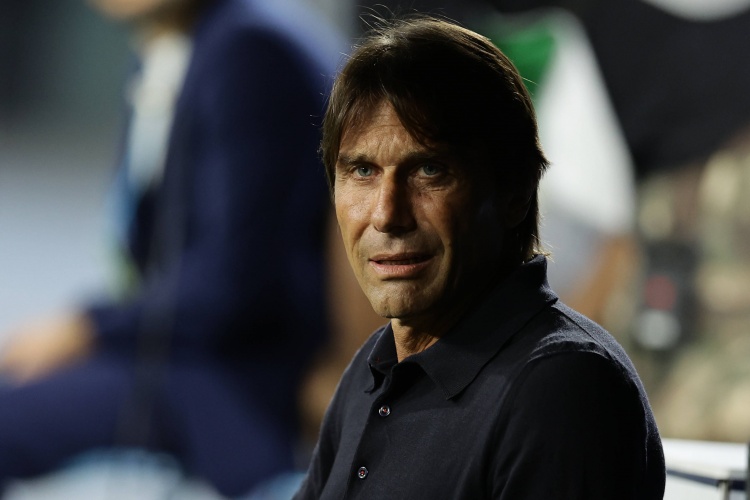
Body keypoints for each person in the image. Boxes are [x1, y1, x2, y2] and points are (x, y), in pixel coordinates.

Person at [293, 15, 665, 499]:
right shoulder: (374, 368)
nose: (387, 214)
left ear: (515, 191)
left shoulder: (561, 389)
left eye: (429, 170)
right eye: (362, 171)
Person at [0, 0, 344, 496]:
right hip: (190, 350)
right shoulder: (177, 47)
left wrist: (87, 328)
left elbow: (232, 284)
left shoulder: (248, 52)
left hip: (234, 376)